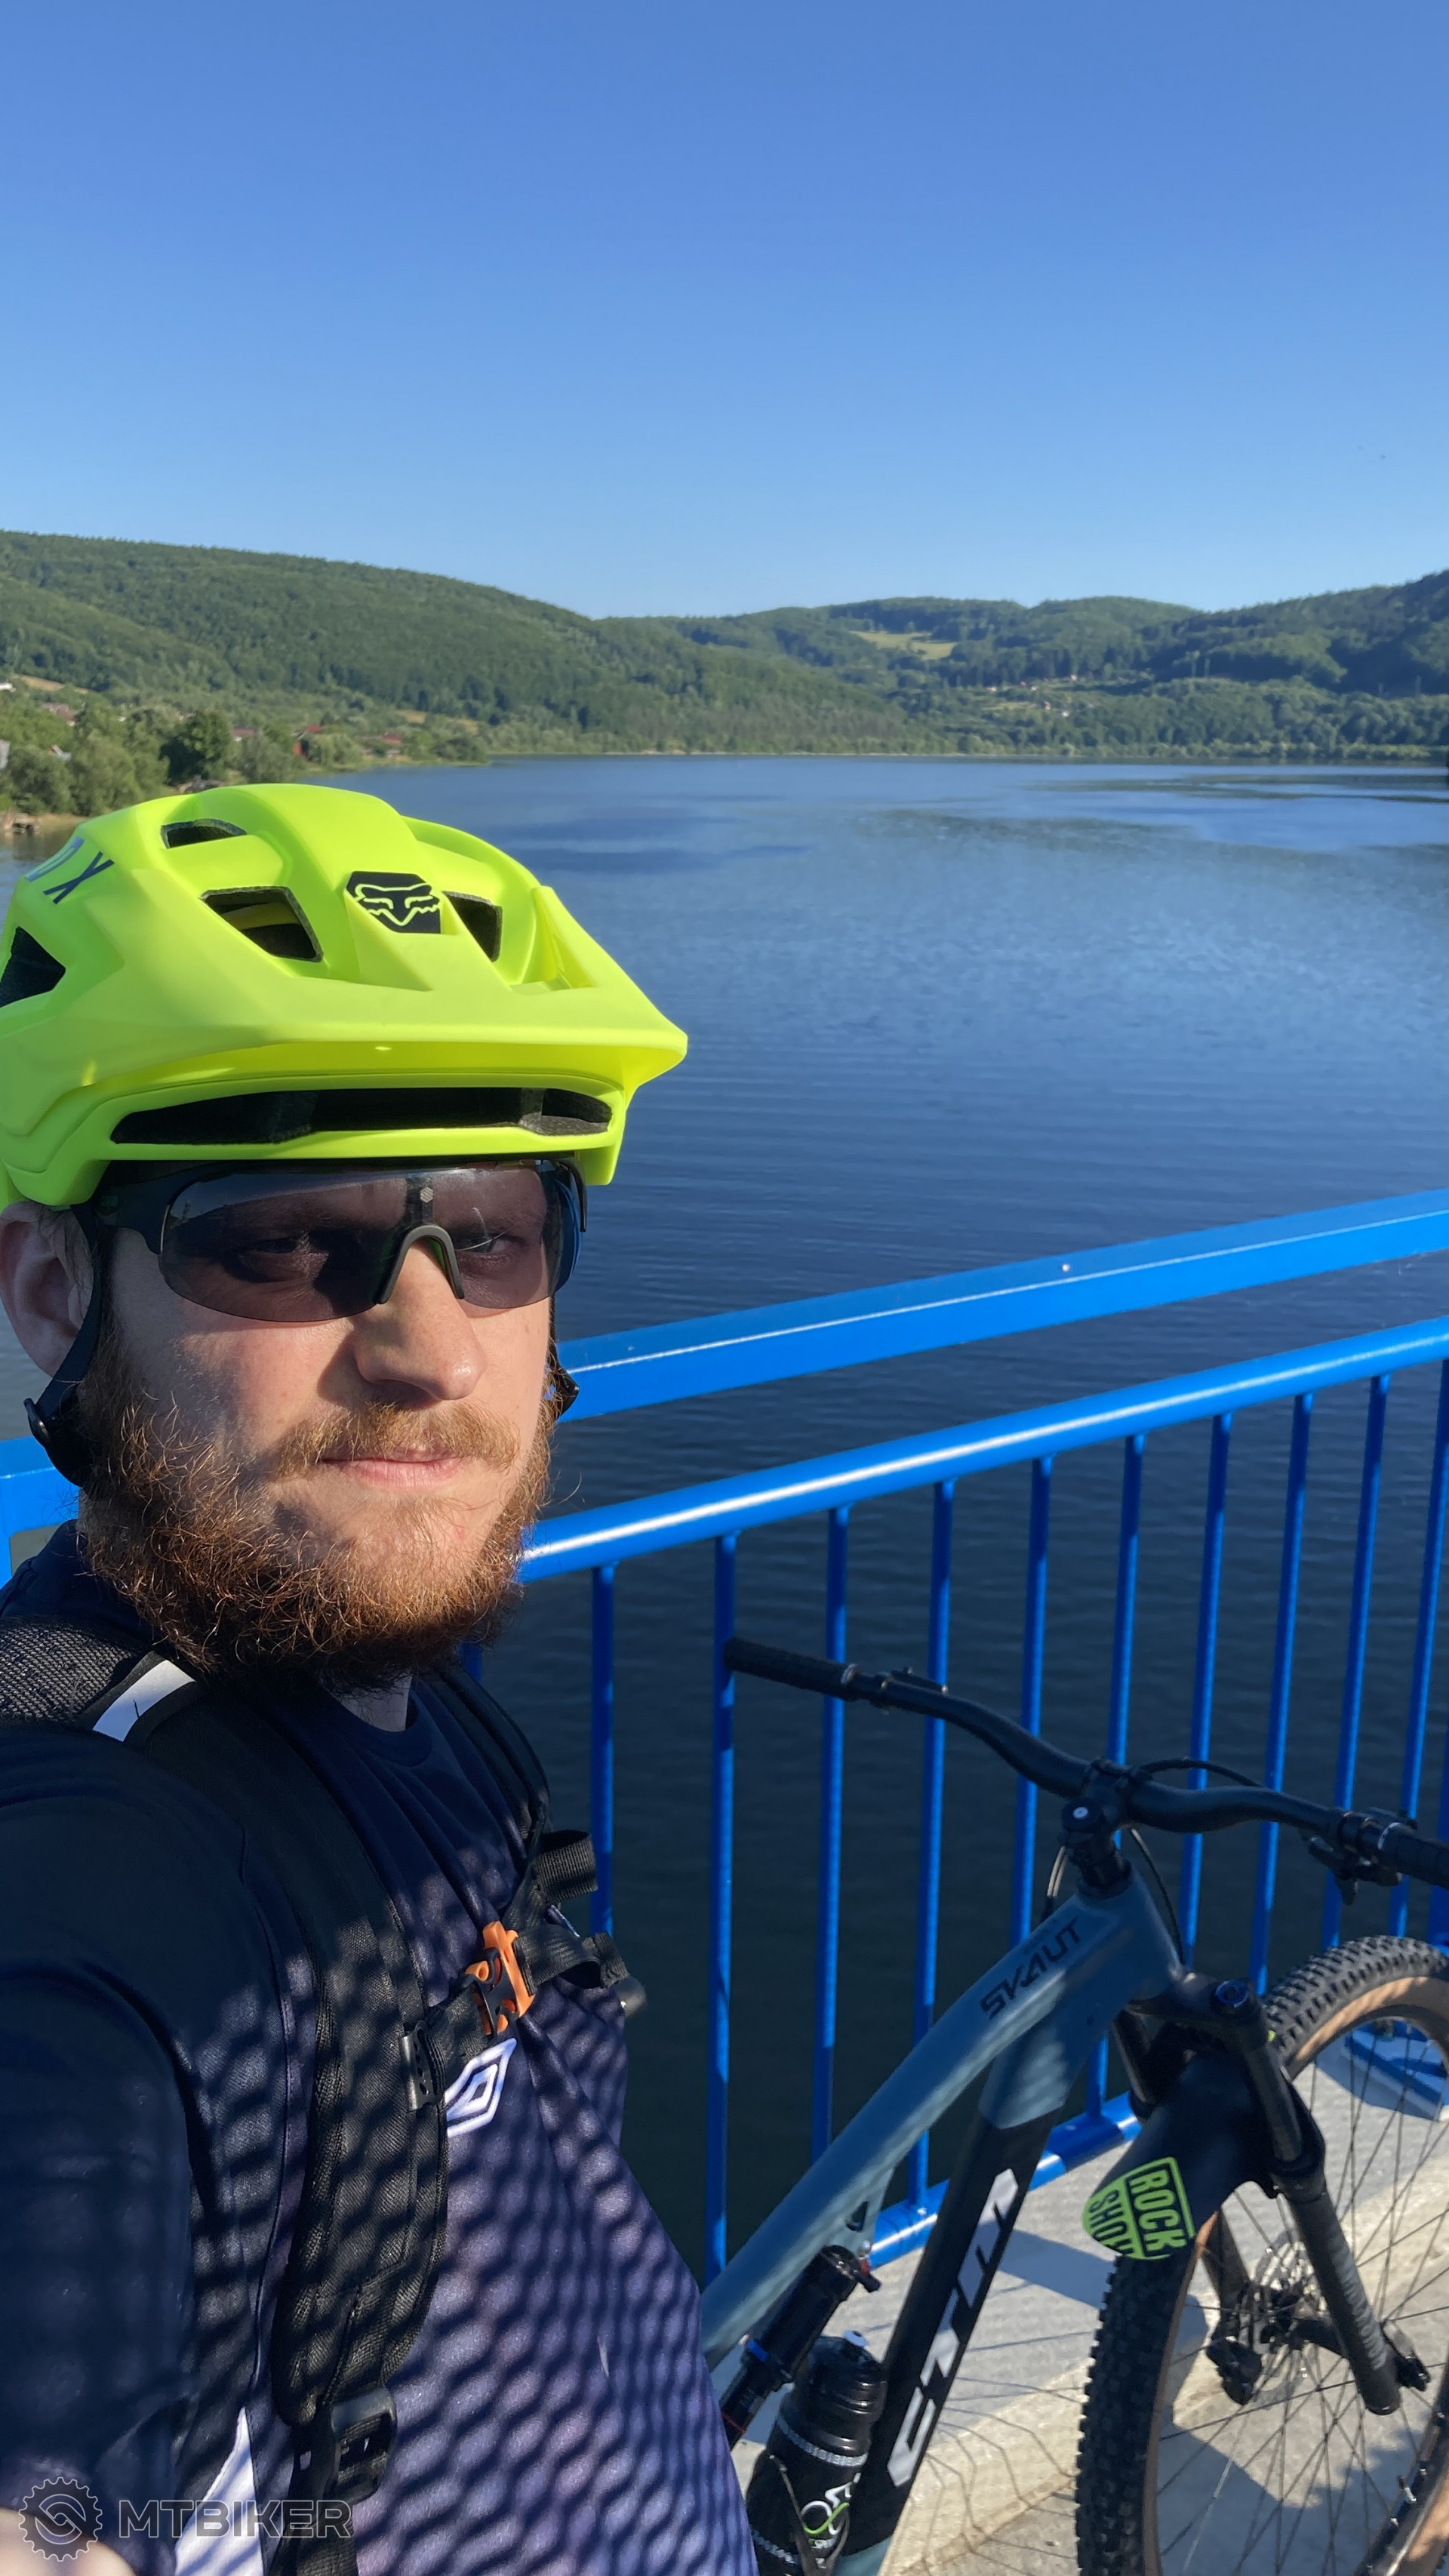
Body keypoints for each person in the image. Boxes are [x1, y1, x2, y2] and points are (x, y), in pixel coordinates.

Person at [0, 786, 754, 2576]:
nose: (432, 1351)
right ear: (48, 1294)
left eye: (490, 1234)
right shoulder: (93, 1872)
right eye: (284, 1237)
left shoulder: (393, 1681)